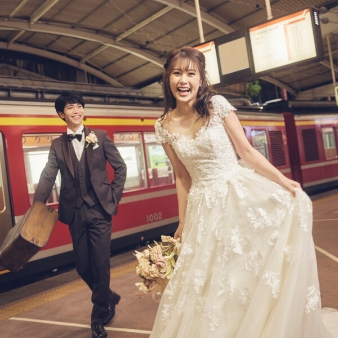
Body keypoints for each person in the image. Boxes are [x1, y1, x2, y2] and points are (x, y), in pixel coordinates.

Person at [149, 46, 333, 338]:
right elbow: (182, 177)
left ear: (200, 79)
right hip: (201, 208)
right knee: (209, 282)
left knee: (244, 271)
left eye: (190, 73)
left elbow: (247, 152)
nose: (183, 80)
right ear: (168, 79)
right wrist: (183, 222)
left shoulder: (217, 106)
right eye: (177, 73)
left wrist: (284, 182)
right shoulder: (163, 126)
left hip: (238, 195)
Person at [34, 90, 127, 338]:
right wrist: (37, 206)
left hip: (100, 212)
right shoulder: (56, 145)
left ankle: (98, 318)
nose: (76, 111)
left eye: (79, 107)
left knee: (100, 263)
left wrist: (112, 196)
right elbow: (47, 176)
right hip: (75, 213)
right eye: (70, 108)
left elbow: (121, 168)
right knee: (82, 266)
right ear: (60, 114)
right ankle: (108, 296)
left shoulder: (101, 137)